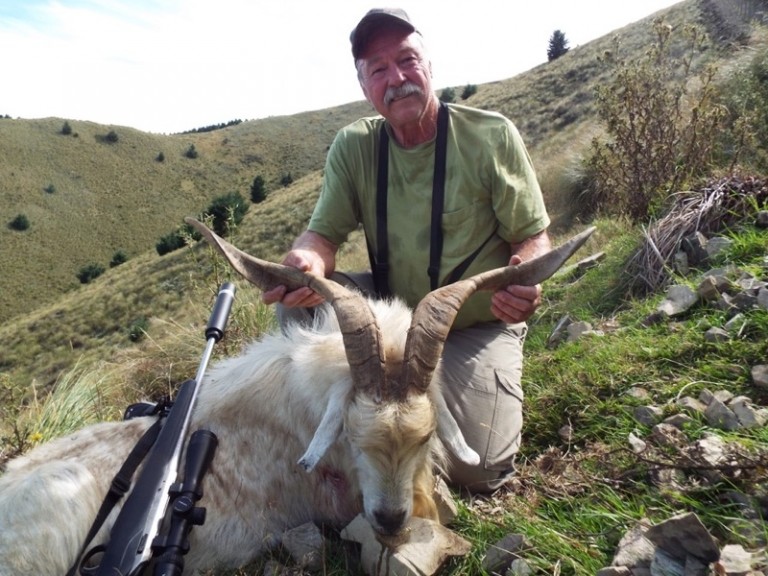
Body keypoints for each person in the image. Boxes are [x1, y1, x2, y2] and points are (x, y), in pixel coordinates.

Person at [262, 7, 552, 494]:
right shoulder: (354, 146)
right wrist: (307, 262)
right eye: (378, 69)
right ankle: (337, 432)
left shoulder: (490, 135)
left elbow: (532, 237)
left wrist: (525, 276)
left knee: (478, 466)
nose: (396, 79)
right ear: (364, 87)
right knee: (298, 311)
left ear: (429, 65)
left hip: (472, 326)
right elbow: (321, 238)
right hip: (392, 316)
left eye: (406, 60)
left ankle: (379, 425)